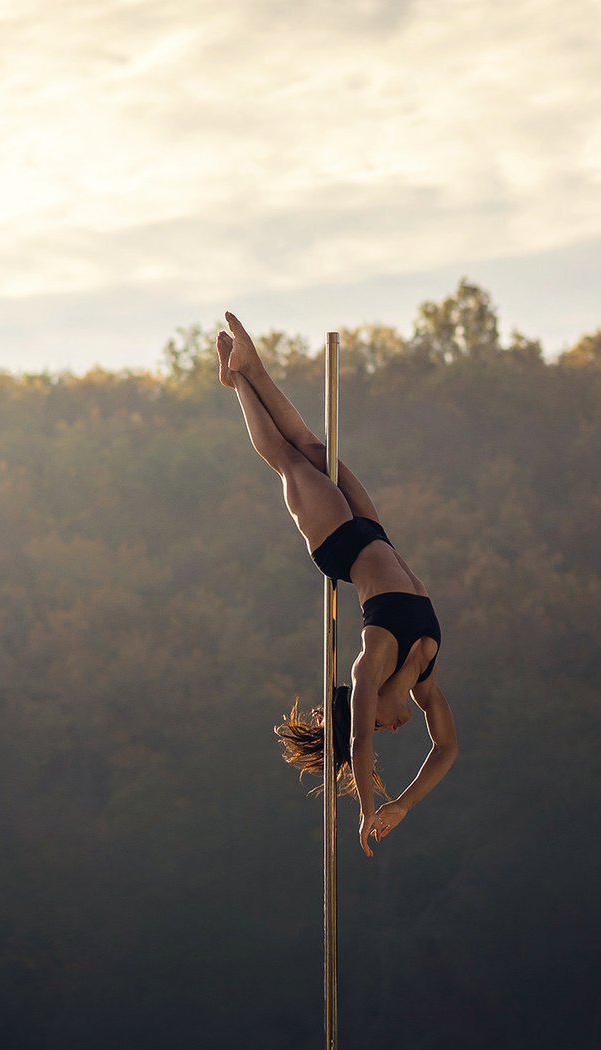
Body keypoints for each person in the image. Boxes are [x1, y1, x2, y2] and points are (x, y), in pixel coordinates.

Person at [218, 312, 458, 857]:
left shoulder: (370, 667)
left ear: (366, 712)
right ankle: (249, 367)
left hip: (340, 548)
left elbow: (360, 742)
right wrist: (403, 805)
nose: (397, 731)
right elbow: (445, 749)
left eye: (381, 729)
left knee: (284, 459)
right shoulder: (424, 680)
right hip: (373, 531)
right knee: (307, 442)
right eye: (398, 732)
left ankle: (238, 382)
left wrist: (369, 811)